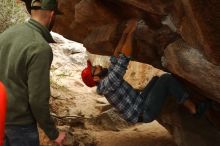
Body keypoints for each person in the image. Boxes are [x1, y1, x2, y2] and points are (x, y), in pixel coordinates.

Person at [81, 19, 204, 124]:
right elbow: (124, 58)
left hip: (139, 101)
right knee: (166, 79)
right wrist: (132, 30)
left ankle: (174, 99)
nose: (97, 65)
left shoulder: (106, 79)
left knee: (156, 79)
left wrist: (125, 33)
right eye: (94, 69)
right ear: (96, 78)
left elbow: (116, 56)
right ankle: (193, 109)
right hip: (143, 112)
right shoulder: (108, 83)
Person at [0, 0, 65, 145]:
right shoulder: (40, 47)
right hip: (20, 127)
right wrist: (53, 133)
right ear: (52, 15)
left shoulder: (6, 34)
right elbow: (37, 100)